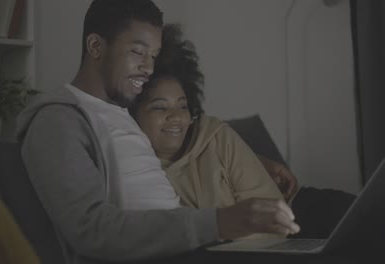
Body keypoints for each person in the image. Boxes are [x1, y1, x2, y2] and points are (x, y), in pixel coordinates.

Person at [16, 1, 299, 263]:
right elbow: (92, 229)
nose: (148, 67)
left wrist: (257, 161)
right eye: (138, 52)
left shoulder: (124, 114)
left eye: (153, 55)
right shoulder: (57, 121)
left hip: (193, 250)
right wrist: (218, 222)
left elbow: (174, 154)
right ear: (95, 46)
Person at [129, 23, 355, 239]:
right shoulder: (137, 174)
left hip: (291, 216)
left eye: (183, 106)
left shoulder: (216, 135)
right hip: (267, 238)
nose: (176, 116)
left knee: (365, 212)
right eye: (159, 107)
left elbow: (274, 220)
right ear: (132, 114)